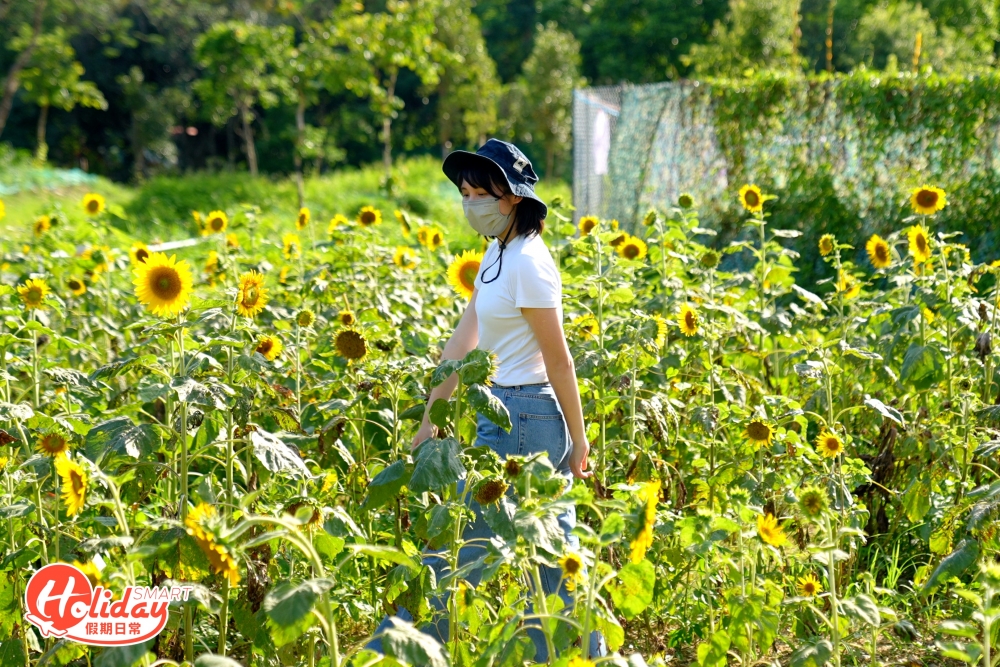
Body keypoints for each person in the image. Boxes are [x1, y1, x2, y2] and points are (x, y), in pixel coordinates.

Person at [367, 139, 605, 660]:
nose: (470, 202)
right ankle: (585, 652)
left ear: (513, 198)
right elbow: (462, 340)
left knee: (467, 548)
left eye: (480, 192)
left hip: (530, 417)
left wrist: (579, 437)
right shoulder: (496, 253)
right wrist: (431, 417)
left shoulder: (530, 264)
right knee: (545, 556)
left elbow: (559, 360)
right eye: (465, 192)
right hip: (499, 408)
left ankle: (393, 651)